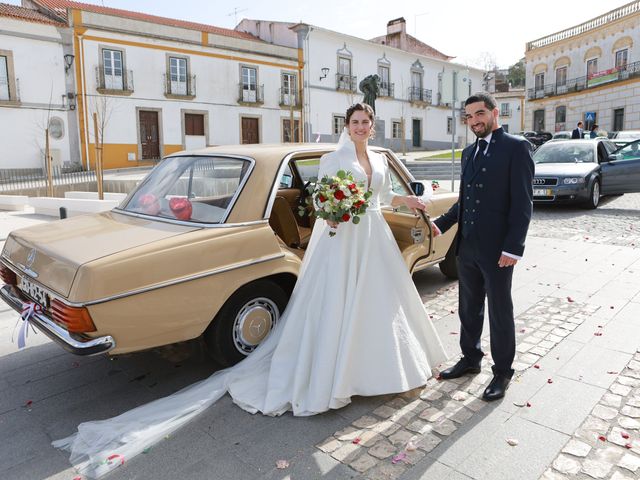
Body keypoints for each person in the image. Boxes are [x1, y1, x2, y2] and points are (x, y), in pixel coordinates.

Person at [53, 103, 447, 478]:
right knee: (340, 301)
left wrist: (407, 198)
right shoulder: (333, 160)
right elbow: (320, 202)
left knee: (377, 303)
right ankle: (340, 371)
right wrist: (333, 212)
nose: (360, 128)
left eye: (366, 123)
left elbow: (379, 198)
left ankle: (380, 367)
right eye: (355, 122)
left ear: (372, 127)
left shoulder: (377, 159)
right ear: (347, 126)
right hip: (342, 240)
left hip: (372, 235)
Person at [431, 92, 534, 402]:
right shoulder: (468, 153)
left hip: (498, 250)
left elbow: (523, 203)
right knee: (469, 307)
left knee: (500, 311)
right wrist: (442, 223)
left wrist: (513, 247)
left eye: (479, 114)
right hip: (469, 246)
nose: (474, 120)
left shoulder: (516, 148)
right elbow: (465, 201)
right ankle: (471, 358)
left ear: (494, 114)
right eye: (469, 116)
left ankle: (502, 371)